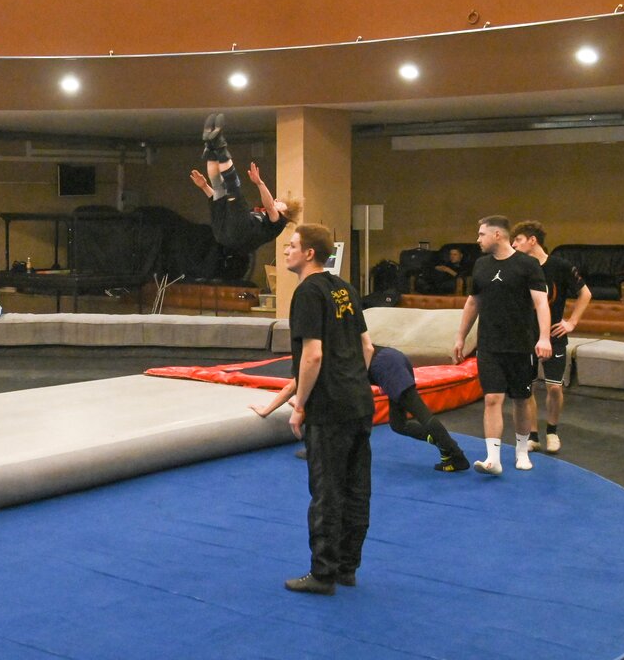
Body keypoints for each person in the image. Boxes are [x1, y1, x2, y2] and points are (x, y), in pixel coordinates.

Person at [279, 223, 374, 595]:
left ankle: (323, 573)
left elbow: (313, 354)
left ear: (309, 254)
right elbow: (367, 348)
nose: (286, 251)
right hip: (359, 401)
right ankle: (347, 568)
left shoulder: (307, 292)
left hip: (329, 407)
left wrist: (300, 405)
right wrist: (353, 381)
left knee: (327, 491)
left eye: (292, 245)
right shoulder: (345, 288)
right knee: (356, 489)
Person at [251, 344, 469, 472]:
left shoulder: (318, 356)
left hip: (384, 364)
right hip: (392, 357)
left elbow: (292, 386)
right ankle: (443, 445)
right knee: (399, 425)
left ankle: (456, 454)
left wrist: (266, 410)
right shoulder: (329, 347)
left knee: (421, 412)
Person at [454, 215, 551, 476]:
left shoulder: (528, 265)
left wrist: (544, 337)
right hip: (489, 345)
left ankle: (521, 451)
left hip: (520, 345)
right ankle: (493, 458)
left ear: (497, 234)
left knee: (521, 400)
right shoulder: (481, 265)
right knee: (492, 398)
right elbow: (473, 302)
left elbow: (541, 303)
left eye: (481, 234)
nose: (478, 239)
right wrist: (461, 336)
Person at [511, 220, 592, 454]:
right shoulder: (518, 267)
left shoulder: (559, 266)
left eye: (518, 240)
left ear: (532, 240)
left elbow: (585, 293)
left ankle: (552, 432)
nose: (514, 245)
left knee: (554, 388)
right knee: (526, 388)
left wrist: (571, 322)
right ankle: (533, 436)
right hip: (525, 335)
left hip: (553, 334)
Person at [189, 113, 302, 255]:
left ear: (286, 212)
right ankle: (211, 147)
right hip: (223, 235)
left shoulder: (279, 223)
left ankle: (219, 146)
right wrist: (204, 186)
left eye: (280, 203)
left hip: (241, 235)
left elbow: (269, 206)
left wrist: (260, 183)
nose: (277, 200)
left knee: (233, 188)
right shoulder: (260, 214)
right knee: (218, 190)